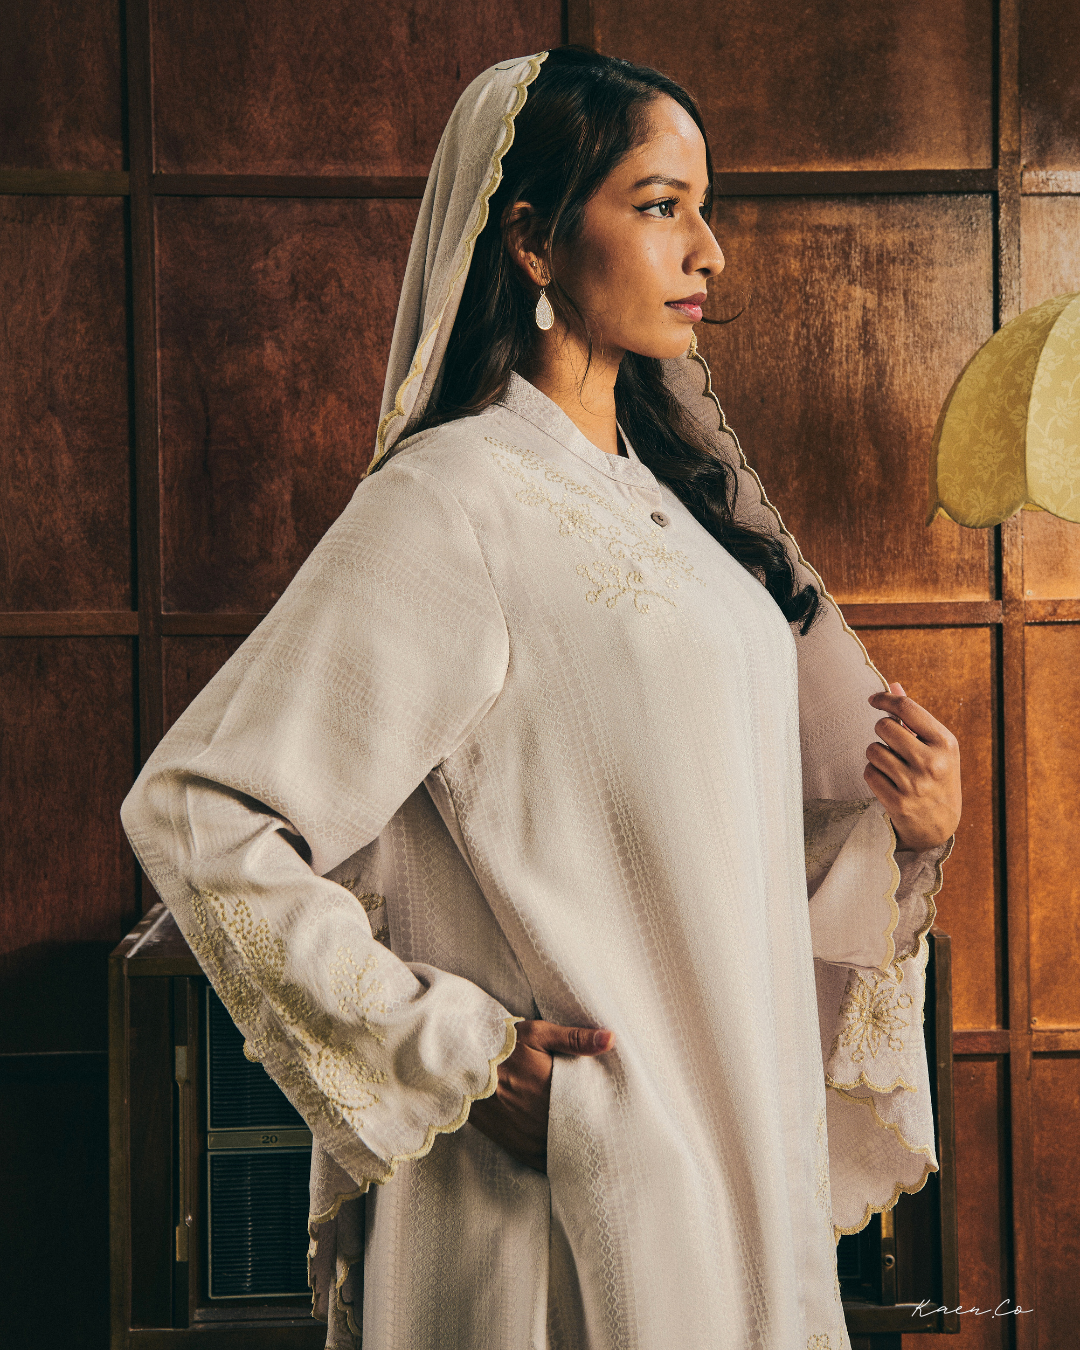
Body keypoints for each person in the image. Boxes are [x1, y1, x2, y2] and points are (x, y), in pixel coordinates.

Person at [121, 47, 961, 1350]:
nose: (709, 250)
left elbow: (689, 857)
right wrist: (452, 1049)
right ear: (530, 239)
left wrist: (900, 834)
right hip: (562, 1206)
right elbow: (199, 809)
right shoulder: (452, 504)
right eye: (659, 205)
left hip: (724, 1174)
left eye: (704, 206)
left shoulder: (683, 525)